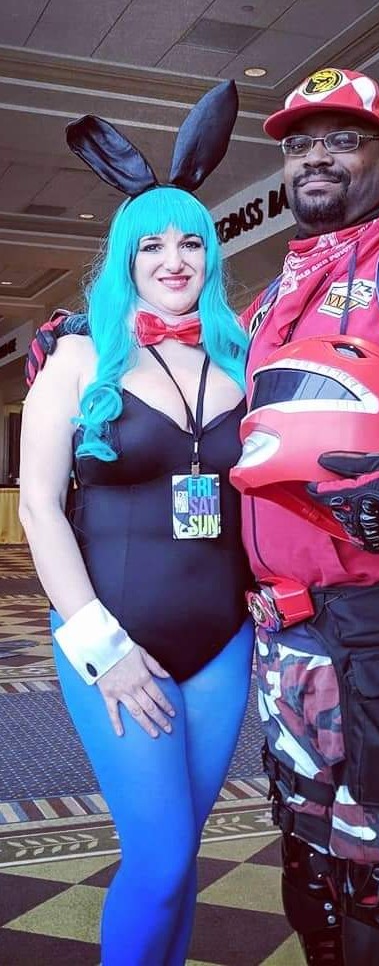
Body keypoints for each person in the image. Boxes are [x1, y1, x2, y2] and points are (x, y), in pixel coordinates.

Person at [26, 68, 379, 966]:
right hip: (285, 642)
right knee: (314, 870)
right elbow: (64, 480)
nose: (318, 156)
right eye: (301, 143)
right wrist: (80, 333)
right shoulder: (273, 305)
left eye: (344, 139)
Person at [18, 81, 254, 966]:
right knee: (157, 862)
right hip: (111, 637)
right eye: (151, 243)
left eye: (190, 241)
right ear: (125, 257)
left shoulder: (241, 360)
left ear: (211, 256)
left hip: (224, 641)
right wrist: (100, 646)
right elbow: (38, 505)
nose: (173, 258)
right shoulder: (79, 357)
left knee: (183, 859)